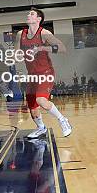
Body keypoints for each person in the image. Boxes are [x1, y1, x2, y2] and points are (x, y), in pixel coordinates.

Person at [15, 8, 72, 138]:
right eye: (28, 13)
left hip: (45, 72)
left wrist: (41, 47)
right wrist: (14, 57)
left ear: (38, 19)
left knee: (41, 100)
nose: (28, 15)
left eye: (32, 14)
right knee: (32, 108)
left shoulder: (44, 33)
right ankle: (41, 128)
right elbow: (16, 53)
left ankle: (63, 120)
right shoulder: (20, 34)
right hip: (32, 75)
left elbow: (62, 48)